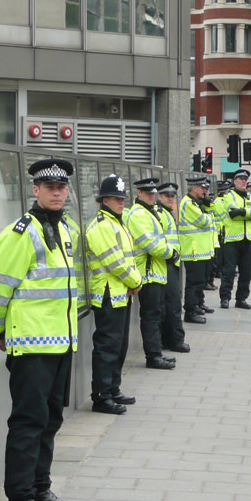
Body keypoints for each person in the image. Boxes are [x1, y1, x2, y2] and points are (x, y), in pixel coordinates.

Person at [0, 159, 82, 501]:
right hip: (31, 346)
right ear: (35, 190)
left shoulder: (66, 229)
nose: (57, 192)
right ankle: (20, 500)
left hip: (60, 344)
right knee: (28, 423)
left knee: (51, 420)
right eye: (49, 187)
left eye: (62, 187)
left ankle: (41, 489)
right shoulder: (21, 233)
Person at [84, 174, 143, 415]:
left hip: (120, 292)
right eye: (116, 199)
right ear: (104, 200)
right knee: (107, 346)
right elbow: (115, 262)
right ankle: (101, 396)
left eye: (122, 199)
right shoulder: (102, 225)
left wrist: (132, 283)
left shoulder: (115, 223)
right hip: (108, 294)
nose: (121, 203)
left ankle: (113, 388)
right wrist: (136, 280)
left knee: (118, 345)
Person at [123, 178, 177, 370]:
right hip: (147, 272)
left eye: (154, 194)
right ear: (139, 194)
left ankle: (157, 352)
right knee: (151, 315)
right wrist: (171, 253)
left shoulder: (148, 212)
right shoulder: (138, 214)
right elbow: (150, 243)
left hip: (155, 271)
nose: (152, 197)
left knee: (156, 313)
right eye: (148, 194)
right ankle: (153, 357)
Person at [155, 182, 191, 353]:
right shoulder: (160, 213)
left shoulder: (168, 213)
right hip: (166, 262)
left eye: (172, 196)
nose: (170, 198)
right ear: (159, 197)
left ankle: (169, 339)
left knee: (169, 304)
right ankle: (176, 340)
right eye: (166, 196)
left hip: (170, 262)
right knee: (173, 304)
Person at [178, 176, 216, 324]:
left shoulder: (196, 203)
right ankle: (190, 311)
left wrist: (208, 206)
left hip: (200, 250)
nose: (205, 191)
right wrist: (209, 215)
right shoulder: (188, 203)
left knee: (200, 280)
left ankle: (199, 304)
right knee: (194, 282)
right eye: (203, 188)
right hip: (192, 250)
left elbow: (211, 214)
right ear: (194, 188)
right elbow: (204, 222)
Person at [220, 169, 251, 308]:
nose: (244, 181)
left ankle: (241, 299)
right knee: (229, 271)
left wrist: (242, 211)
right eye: (241, 179)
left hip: (248, 239)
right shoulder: (229, 195)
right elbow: (232, 213)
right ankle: (225, 298)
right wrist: (247, 213)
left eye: (245, 179)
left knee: (246, 272)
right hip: (232, 239)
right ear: (235, 181)